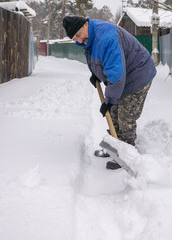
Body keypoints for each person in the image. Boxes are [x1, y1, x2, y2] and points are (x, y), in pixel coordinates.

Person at [62, 16, 156, 170]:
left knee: (125, 116)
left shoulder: (106, 37)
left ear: (86, 24)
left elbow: (116, 73)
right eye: (75, 38)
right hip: (124, 76)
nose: (79, 40)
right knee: (113, 114)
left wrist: (110, 100)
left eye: (78, 35)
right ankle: (114, 149)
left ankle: (127, 156)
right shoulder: (89, 37)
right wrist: (96, 74)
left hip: (138, 74)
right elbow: (96, 59)